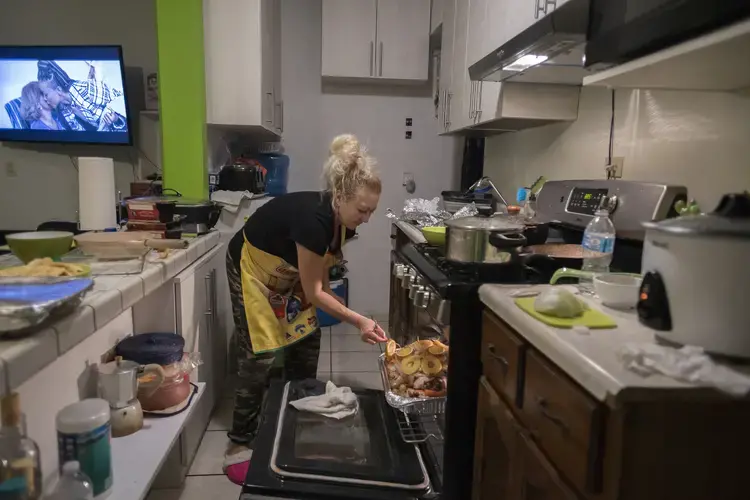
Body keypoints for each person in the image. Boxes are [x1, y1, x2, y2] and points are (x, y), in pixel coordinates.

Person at [223, 134, 387, 482]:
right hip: (252, 268)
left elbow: (321, 269)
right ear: (339, 197)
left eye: (372, 210)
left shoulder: (343, 222)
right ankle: (239, 441)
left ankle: (298, 414)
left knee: (307, 338)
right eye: (362, 210)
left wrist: (331, 295)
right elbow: (314, 293)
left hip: (288, 272)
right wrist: (358, 319)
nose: (367, 217)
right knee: (259, 354)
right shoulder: (313, 220)